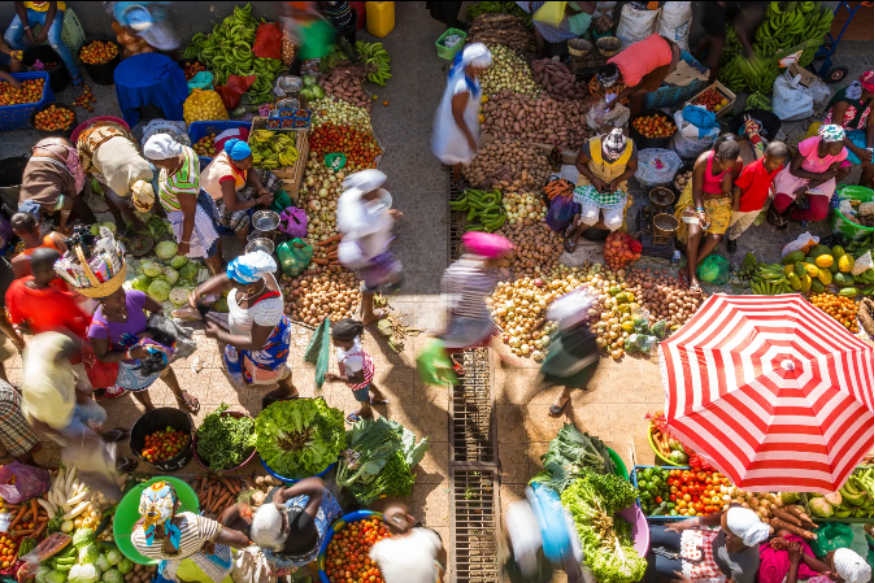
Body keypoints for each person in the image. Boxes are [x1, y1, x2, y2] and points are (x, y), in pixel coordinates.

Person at [21, 332, 135, 501]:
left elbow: (66, 377)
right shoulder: (39, 386)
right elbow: (38, 423)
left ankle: (104, 438)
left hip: (67, 400)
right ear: (59, 355)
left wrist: (83, 398)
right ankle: (112, 492)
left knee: (98, 414)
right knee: (91, 455)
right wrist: (74, 439)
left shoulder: (52, 343)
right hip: (58, 422)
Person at [190, 252, 298, 409]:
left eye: (235, 284)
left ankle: (288, 389)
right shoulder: (254, 275)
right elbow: (226, 279)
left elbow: (255, 343)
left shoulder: (268, 306)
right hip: (246, 335)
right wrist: (200, 291)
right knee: (247, 363)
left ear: (250, 287)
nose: (230, 284)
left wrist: (219, 334)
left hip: (263, 343)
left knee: (275, 370)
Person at [89, 286, 199, 413]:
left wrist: (150, 333)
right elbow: (102, 356)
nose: (124, 299)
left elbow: (158, 309)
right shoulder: (98, 327)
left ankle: (179, 394)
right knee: (140, 388)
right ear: (103, 301)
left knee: (166, 372)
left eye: (123, 294)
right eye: (117, 299)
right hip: (131, 365)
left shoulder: (134, 297)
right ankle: (149, 407)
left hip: (153, 351)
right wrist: (131, 354)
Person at [5, 248, 92, 390]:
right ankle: (95, 391)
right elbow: (82, 324)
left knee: (66, 378)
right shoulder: (60, 300)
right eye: (57, 267)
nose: (60, 269)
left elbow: (19, 321)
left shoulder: (16, 289)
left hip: (47, 348)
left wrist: (37, 326)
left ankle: (76, 392)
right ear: (46, 272)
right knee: (87, 378)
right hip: (73, 351)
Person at [132, 481, 250, 583]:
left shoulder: (139, 539)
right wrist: (208, 541)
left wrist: (153, 514)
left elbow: (136, 525)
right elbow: (242, 541)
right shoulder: (194, 525)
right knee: (218, 577)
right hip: (207, 561)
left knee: (199, 578)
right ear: (177, 505)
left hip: (180, 568)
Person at [144, 134, 222, 275]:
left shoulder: (182, 184)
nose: (152, 163)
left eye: (153, 161)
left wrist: (185, 243)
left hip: (193, 215)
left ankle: (218, 274)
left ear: (164, 160)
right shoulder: (185, 151)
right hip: (197, 198)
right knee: (213, 239)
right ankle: (219, 262)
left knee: (208, 250)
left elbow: (189, 215)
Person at [674, 134, 743, 291]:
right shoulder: (704, 160)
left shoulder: (737, 163)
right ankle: (692, 276)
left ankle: (688, 271)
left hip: (720, 198)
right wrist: (700, 211)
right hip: (698, 197)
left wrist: (726, 179)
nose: (727, 168)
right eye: (724, 165)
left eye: (729, 166)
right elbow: (696, 190)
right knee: (694, 233)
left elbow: (727, 190)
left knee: (715, 236)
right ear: (717, 156)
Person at [440, 232, 516, 373]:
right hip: (464, 324)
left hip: (479, 319)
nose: (500, 260)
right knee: (450, 347)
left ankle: (501, 358)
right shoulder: (460, 275)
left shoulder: (480, 267)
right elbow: (451, 305)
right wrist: (447, 325)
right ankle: (452, 364)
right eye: (497, 258)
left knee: (488, 339)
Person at [336, 169, 404, 325]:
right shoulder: (363, 221)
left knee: (376, 277)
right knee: (377, 278)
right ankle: (368, 315)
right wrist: (389, 216)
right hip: (367, 255)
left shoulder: (349, 196)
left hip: (357, 249)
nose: (381, 191)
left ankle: (380, 288)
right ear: (367, 192)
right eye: (377, 189)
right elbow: (373, 229)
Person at [646, 505, 769, 583]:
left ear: (731, 536)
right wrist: (692, 522)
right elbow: (721, 516)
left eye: (723, 525)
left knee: (649, 564)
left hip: (709, 569)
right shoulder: (737, 513)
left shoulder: (744, 567)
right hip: (702, 541)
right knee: (650, 533)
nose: (722, 518)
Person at [248, 477, 343, 578]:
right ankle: (335, 517)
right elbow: (317, 487)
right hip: (309, 549)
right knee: (323, 497)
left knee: (274, 492)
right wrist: (286, 494)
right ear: (287, 528)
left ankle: (285, 567)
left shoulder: (260, 533)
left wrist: (275, 503)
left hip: (285, 557)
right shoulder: (301, 527)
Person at [76, 117, 154, 235]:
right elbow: (118, 201)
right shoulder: (120, 189)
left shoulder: (148, 172)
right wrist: (135, 221)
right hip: (92, 142)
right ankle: (119, 220)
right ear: (132, 198)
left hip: (117, 134)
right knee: (106, 189)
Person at [565, 128, 639, 252]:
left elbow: (632, 169)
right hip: (590, 182)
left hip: (615, 185)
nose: (611, 161)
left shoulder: (631, 148)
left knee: (615, 223)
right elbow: (579, 163)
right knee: (590, 216)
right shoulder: (592, 145)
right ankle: (577, 233)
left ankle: (578, 222)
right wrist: (594, 179)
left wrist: (616, 182)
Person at [529, 291, 600, 418]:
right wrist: (537, 327)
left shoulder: (586, 339)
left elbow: (592, 361)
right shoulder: (564, 310)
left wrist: (586, 383)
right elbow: (550, 315)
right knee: (546, 376)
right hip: (559, 352)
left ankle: (563, 397)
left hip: (575, 361)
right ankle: (534, 391)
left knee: (571, 382)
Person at [432, 42, 493, 186]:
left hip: (454, 116)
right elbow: (457, 115)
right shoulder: (463, 87)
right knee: (458, 154)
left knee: (448, 148)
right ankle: (457, 179)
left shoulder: (461, 66)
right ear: (473, 65)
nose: (484, 71)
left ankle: (445, 163)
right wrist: (469, 137)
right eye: (482, 68)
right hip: (457, 125)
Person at [770, 125, 852, 228]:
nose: (839, 151)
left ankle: (792, 214)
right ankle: (782, 209)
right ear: (826, 144)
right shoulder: (808, 145)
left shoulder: (841, 153)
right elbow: (794, 170)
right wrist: (820, 176)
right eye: (836, 148)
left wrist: (806, 188)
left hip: (821, 181)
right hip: (799, 174)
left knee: (820, 213)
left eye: (841, 147)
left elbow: (829, 175)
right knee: (780, 203)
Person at [200, 138, 276, 243]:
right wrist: (258, 201)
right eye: (245, 165)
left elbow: (249, 169)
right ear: (234, 162)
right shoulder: (227, 175)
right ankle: (246, 243)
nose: (249, 166)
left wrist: (260, 189)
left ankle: (262, 211)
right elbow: (232, 206)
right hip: (211, 202)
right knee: (240, 218)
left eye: (251, 161)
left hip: (230, 189)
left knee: (267, 176)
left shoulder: (234, 154)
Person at [17, 137, 94, 234]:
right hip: (42, 146)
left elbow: (69, 202)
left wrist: (61, 229)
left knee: (75, 199)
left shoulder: (50, 202)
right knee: (58, 186)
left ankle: (91, 221)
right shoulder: (22, 202)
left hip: (63, 150)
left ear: (41, 218)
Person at [726, 141, 789, 253]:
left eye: (780, 163)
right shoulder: (752, 170)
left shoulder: (777, 168)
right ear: (765, 156)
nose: (777, 165)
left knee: (744, 224)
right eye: (775, 162)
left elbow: (772, 178)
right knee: (728, 221)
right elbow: (739, 187)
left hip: (757, 205)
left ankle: (732, 237)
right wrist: (736, 204)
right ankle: (718, 233)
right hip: (742, 205)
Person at [4, 1, 83, 88]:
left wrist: (45, 30)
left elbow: (53, 5)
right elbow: (18, 3)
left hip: (52, 9)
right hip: (30, 10)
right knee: (10, 38)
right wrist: (26, 27)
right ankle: (32, 61)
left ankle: (74, 73)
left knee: (54, 41)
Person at [324, 318, 387, 423]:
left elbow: (359, 379)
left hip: (359, 381)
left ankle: (365, 411)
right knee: (368, 383)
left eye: (334, 338)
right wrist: (333, 325)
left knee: (363, 397)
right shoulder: (353, 338)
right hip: (367, 370)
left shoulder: (352, 358)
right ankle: (378, 396)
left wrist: (337, 378)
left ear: (345, 341)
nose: (332, 339)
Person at [604, 34, 681, 115]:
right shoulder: (611, 62)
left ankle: (635, 117)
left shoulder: (630, 76)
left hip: (670, 53)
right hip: (658, 40)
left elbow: (635, 87)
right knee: (638, 77)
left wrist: (614, 101)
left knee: (636, 95)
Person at [369, 503, 446, 583]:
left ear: (386, 527)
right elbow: (441, 555)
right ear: (411, 519)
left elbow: (383, 575)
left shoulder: (380, 549)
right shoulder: (427, 537)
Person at [694, 2, 768, 83]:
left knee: (710, 35)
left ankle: (694, 58)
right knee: (717, 51)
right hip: (717, 10)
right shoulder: (758, 7)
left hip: (718, 6)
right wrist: (748, 48)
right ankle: (711, 83)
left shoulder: (756, 6)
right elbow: (738, 28)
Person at [823, 71, 874, 187]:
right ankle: (822, 186)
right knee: (845, 170)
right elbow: (836, 130)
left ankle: (860, 190)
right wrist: (857, 150)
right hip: (834, 134)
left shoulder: (872, 99)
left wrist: (869, 149)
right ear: (870, 92)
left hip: (854, 132)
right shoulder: (844, 101)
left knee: (871, 167)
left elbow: (871, 124)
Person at [759, 532, 872, 583]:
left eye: (832, 555)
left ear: (837, 573)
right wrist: (798, 552)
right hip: (804, 571)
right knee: (785, 535)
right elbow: (827, 569)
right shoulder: (838, 577)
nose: (830, 552)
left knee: (771, 561)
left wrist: (794, 562)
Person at [515, 2, 597, 59]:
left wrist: (567, 12)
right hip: (573, 15)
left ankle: (541, 51)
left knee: (537, 21)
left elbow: (590, 10)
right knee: (540, 9)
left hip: (576, 24)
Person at [9, 211, 67, 279]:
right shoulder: (55, 237)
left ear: (16, 232)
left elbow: (24, 284)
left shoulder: (18, 261)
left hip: (55, 289)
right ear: (37, 226)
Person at [0, 379, 40, 466]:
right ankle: (32, 445)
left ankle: (31, 465)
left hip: (4, 404)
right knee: (23, 429)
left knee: (18, 442)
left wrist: (3, 456)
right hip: (5, 392)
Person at [0, 257, 25, 384]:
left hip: (3, 276)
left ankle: (18, 340)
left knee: (16, 305)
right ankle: (18, 340)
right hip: (5, 275)